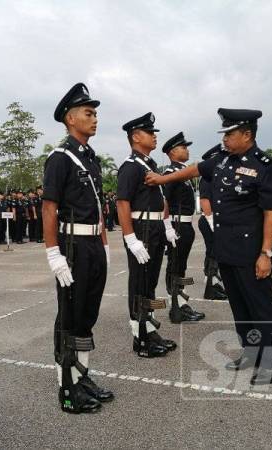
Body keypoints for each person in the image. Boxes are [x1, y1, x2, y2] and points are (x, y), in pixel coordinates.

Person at [145, 108, 272, 384]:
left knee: (261, 304)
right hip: (226, 248)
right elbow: (196, 169)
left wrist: (266, 253)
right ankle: (251, 349)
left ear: (247, 134)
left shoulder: (266, 166)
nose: (225, 139)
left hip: (251, 250)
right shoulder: (221, 160)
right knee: (239, 304)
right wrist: (162, 179)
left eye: (230, 134)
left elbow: (271, 213)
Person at [43, 82, 113, 413]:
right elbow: (49, 208)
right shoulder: (60, 158)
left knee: (87, 314)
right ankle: (66, 388)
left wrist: (104, 243)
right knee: (69, 316)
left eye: (95, 113)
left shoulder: (90, 158)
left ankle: (82, 374)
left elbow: (98, 208)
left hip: (92, 243)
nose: (95, 118)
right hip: (71, 245)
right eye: (89, 113)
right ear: (71, 119)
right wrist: (53, 253)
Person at [116, 112, 179, 358]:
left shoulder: (150, 166)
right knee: (139, 284)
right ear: (136, 136)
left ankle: (150, 328)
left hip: (153, 229)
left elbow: (160, 201)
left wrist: (165, 228)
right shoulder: (130, 167)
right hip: (140, 230)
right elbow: (122, 203)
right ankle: (140, 336)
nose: (154, 137)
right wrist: (131, 238)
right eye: (150, 133)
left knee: (150, 284)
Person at [161, 132, 205, 321]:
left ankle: (182, 301)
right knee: (175, 265)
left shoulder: (183, 173)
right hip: (176, 225)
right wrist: (167, 227)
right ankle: (176, 307)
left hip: (186, 225)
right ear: (172, 152)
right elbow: (163, 200)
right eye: (183, 147)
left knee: (182, 267)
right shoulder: (171, 174)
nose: (187, 150)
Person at [198, 145, 228, 300]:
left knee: (216, 253)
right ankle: (210, 286)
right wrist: (211, 221)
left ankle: (214, 283)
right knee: (212, 252)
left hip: (216, 220)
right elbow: (204, 200)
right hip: (209, 220)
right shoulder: (207, 178)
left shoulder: (216, 176)